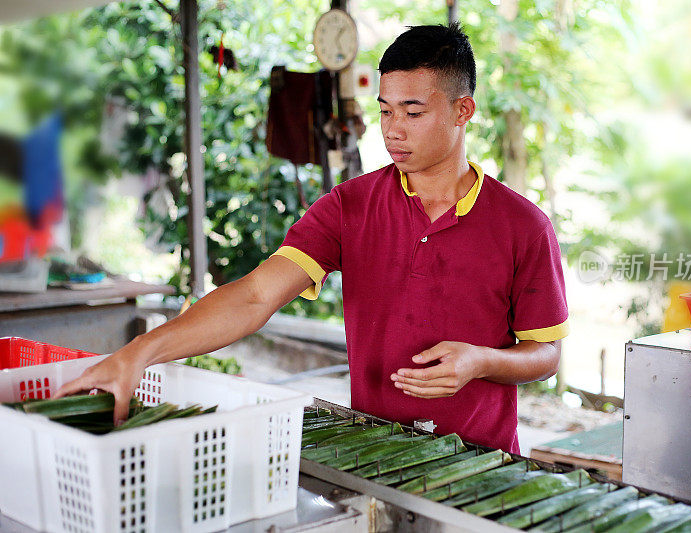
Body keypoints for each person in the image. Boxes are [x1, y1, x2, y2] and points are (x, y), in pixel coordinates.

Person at [56, 23, 569, 453]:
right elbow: (256, 295)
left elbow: (544, 355)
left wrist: (482, 360)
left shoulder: (523, 226)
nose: (393, 130)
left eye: (413, 113)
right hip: (374, 453)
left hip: (483, 466)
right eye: (386, 111)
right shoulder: (350, 206)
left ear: (463, 111)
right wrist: (137, 354)